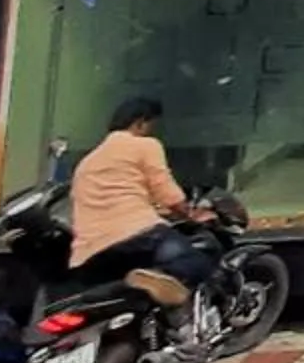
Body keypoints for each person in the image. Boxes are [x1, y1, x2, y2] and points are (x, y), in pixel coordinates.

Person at [69, 97, 211, 308]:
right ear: (140, 122)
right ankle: (159, 278)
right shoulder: (144, 145)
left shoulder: (87, 162)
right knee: (197, 263)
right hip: (138, 236)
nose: (150, 131)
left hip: (88, 255)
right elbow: (166, 191)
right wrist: (192, 214)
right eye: (151, 125)